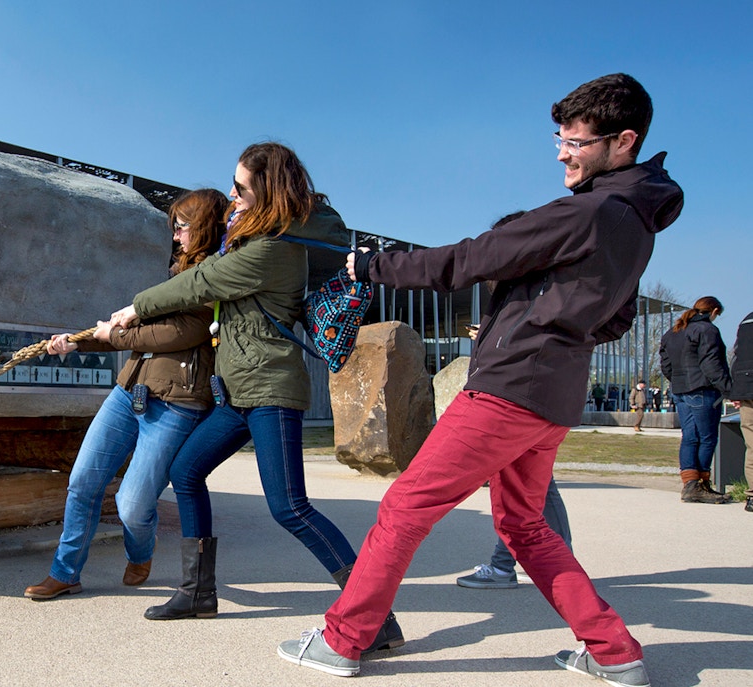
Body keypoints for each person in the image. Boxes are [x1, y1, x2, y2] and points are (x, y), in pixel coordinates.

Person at [278, 73, 680, 687]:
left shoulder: (588, 211)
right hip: (553, 396)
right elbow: (616, 319)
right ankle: (614, 651)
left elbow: (469, 259)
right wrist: (550, 332)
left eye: (576, 142)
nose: (562, 152)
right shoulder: (636, 226)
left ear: (623, 141)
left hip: (508, 391)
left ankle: (342, 640)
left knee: (404, 508)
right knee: (523, 525)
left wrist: (369, 266)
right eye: (560, 138)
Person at [109, 142, 401, 649]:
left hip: (271, 389)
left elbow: (201, 283)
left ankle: (373, 617)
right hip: (239, 392)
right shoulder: (254, 239)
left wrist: (136, 308)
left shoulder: (271, 251)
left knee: (290, 507)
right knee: (186, 471)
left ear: (265, 191)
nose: (231, 195)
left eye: (240, 187)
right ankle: (198, 592)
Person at [23, 189, 227, 600]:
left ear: (203, 227)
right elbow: (136, 338)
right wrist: (78, 343)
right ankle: (65, 573)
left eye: (182, 227)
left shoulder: (215, 275)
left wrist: (115, 334)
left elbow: (180, 333)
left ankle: (140, 551)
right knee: (83, 481)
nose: (177, 236)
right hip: (128, 393)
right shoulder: (174, 274)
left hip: (177, 404)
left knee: (134, 505)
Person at [453, 212, 574, 591]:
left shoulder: (530, 292)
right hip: (530, 401)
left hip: (516, 401)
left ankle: (539, 562)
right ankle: (524, 563)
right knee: (528, 492)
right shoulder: (533, 291)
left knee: (415, 500)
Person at [659, 296, 733, 504]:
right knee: (707, 438)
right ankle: (701, 484)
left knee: (690, 437)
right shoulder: (707, 330)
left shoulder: (672, 332)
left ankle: (690, 485)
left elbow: (665, 364)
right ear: (714, 310)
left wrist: (677, 381)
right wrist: (729, 389)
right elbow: (712, 364)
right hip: (702, 389)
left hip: (680, 390)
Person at [730, 311, 753, 513]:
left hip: (746, 387)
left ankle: (752, 496)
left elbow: (736, 357)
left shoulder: (746, 321)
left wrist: (736, 390)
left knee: (752, 444)